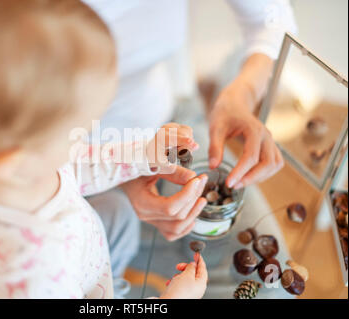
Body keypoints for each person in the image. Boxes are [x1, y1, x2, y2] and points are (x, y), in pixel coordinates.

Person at [0, 0, 209, 298]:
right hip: (76, 285)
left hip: (81, 259)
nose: (85, 138)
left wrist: (144, 154)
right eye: (80, 132)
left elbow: (69, 166)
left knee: (118, 214)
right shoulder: (34, 277)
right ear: (14, 161)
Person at [81, 0, 297, 286]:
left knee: (269, 284)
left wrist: (241, 95)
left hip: (171, 122)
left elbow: (272, 17)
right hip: (69, 161)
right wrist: (122, 173)